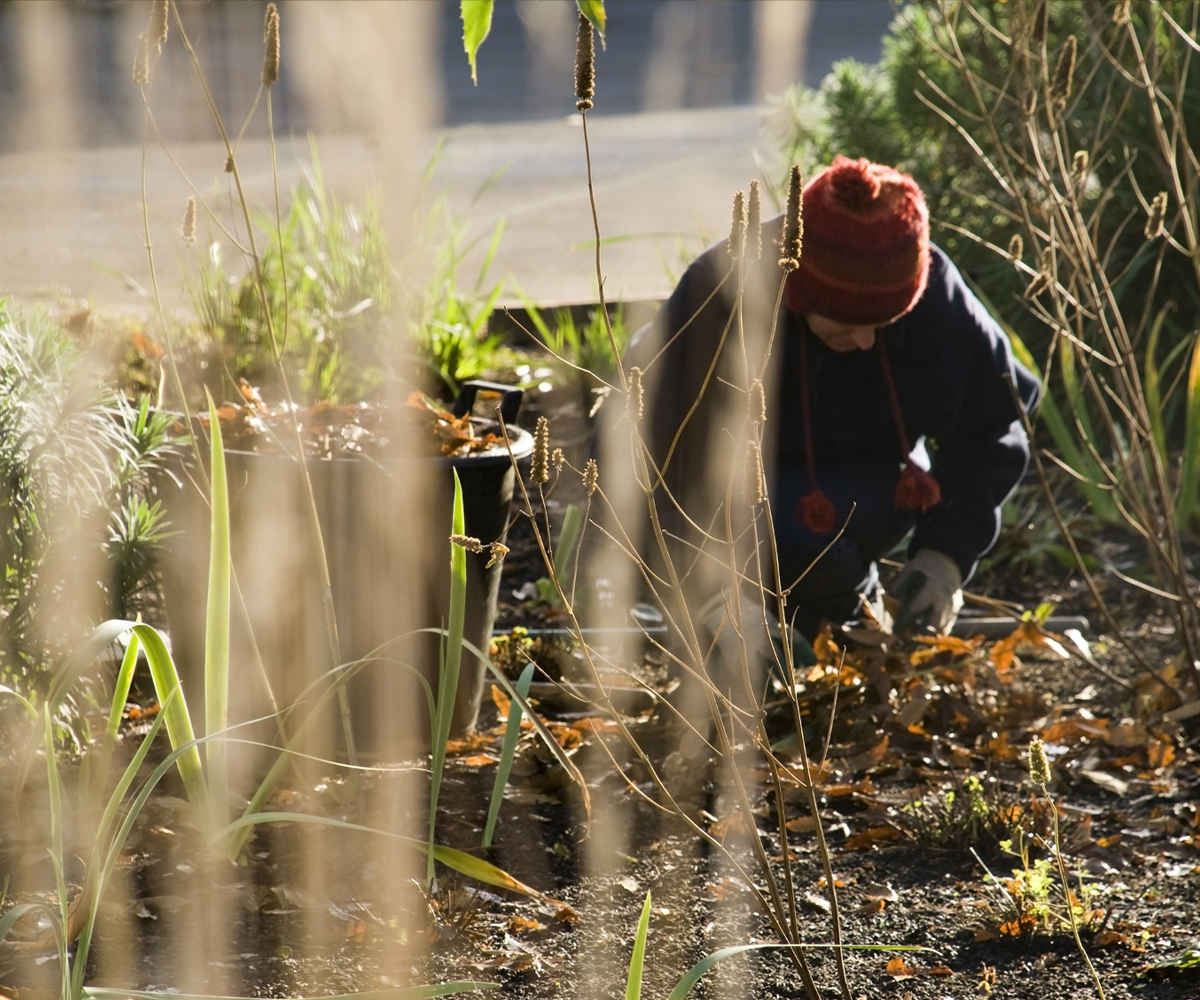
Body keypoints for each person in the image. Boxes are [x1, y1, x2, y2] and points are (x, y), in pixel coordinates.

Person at [617, 156, 1040, 645]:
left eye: (883, 326)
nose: (864, 341)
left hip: (866, 483)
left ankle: (844, 610)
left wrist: (945, 556)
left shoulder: (935, 301)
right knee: (775, 541)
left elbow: (992, 428)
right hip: (729, 497)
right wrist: (708, 597)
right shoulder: (725, 294)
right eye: (847, 324)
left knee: (818, 563)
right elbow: (636, 449)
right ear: (801, 292)